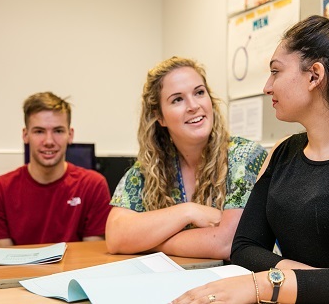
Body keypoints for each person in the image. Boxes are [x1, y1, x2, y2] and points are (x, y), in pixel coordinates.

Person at [172, 15, 329, 303]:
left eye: (275, 72)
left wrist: (272, 283)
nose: (267, 86)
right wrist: (304, 280)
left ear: (314, 76)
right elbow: (244, 247)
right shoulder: (282, 152)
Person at [106, 56, 267, 260]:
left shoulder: (244, 156)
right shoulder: (150, 168)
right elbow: (115, 236)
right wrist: (187, 212)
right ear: (160, 117)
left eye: (199, 93)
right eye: (177, 99)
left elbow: (229, 243)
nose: (193, 106)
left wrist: (152, 242)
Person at [0, 92, 112, 247]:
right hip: (20, 272)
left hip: (74, 271)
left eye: (58, 131)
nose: (49, 141)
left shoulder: (93, 186)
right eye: (39, 131)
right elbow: (6, 261)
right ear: (25, 135)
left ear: (70, 135)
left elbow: (90, 256)